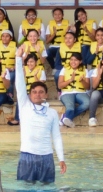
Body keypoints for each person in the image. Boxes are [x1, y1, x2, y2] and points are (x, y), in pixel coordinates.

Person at [14, 46, 66, 184]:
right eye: (34, 92)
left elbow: (56, 136)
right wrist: (18, 59)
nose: (37, 94)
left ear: (46, 94)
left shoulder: (52, 113)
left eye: (41, 92)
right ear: (30, 94)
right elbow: (19, 83)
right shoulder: (25, 106)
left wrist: (61, 158)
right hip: (27, 156)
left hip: (46, 158)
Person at [12, 53, 47, 126]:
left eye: (32, 61)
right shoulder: (23, 69)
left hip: (36, 93)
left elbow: (42, 85)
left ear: (36, 62)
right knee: (20, 100)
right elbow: (20, 84)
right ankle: (17, 119)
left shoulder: (40, 70)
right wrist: (23, 76)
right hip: (26, 92)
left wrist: (35, 77)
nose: (29, 63)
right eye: (28, 61)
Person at [58, 52, 89, 128]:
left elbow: (88, 87)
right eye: (71, 60)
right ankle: (67, 118)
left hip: (80, 92)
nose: (73, 62)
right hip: (67, 93)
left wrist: (82, 81)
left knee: (87, 103)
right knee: (70, 107)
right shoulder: (64, 69)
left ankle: (65, 117)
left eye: (76, 60)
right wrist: (70, 80)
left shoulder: (85, 70)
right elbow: (60, 85)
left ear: (80, 61)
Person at [0, 30, 17, 102]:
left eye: (7, 36)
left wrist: (14, 67)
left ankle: (10, 96)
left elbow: (18, 59)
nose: (5, 38)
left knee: (10, 77)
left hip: (11, 69)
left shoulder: (14, 47)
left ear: (11, 38)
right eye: (3, 36)